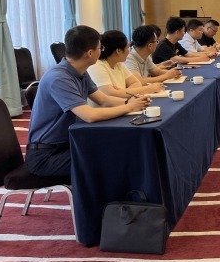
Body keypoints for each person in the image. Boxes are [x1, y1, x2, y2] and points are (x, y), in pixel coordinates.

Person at [25, 25, 150, 177]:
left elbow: (103, 100)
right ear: (90, 53)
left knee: (119, 146)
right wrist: (129, 107)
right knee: (110, 159)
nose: (102, 51)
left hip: (69, 143)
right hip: (46, 155)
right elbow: (89, 115)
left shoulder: (81, 72)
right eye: (100, 47)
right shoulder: (59, 78)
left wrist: (131, 102)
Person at [87, 30, 165, 101]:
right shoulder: (97, 66)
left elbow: (136, 83)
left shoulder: (118, 63)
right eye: (128, 47)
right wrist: (148, 89)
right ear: (118, 51)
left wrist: (122, 92)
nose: (129, 50)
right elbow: (109, 95)